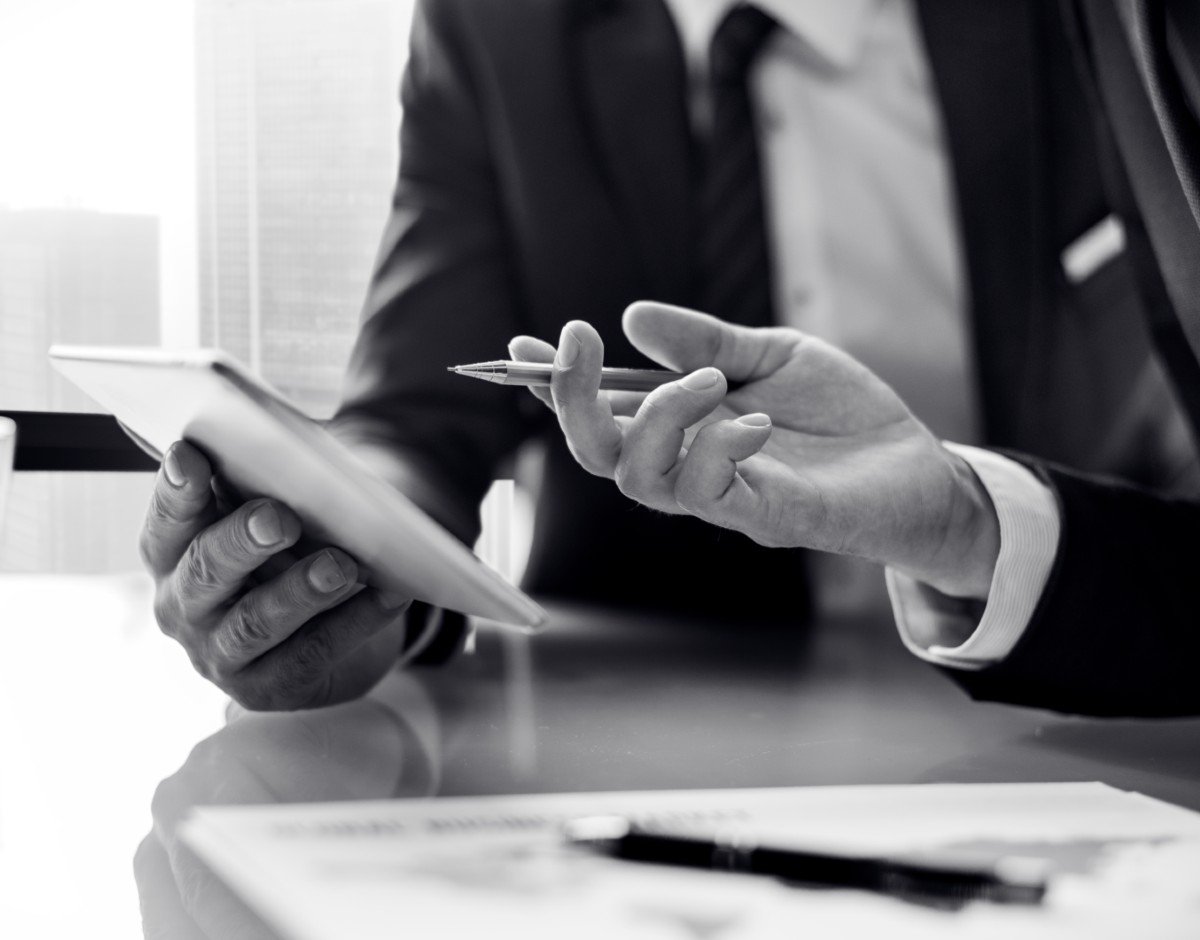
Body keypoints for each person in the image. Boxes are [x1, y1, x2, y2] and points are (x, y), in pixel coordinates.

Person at [138, 0, 1190, 710]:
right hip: (650, 719)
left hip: (1069, 685)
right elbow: (414, 425)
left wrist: (971, 523)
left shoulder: (1091, 25)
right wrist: (340, 562)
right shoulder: (498, 26)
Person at [514, 0, 1200, 717]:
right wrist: (962, 523)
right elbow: (431, 431)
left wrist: (961, 528)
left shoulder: (1068, 25)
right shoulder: (505, 33)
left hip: (1055, 703)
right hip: (654, 703)